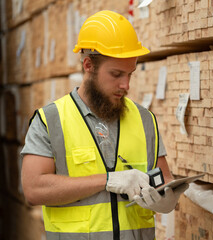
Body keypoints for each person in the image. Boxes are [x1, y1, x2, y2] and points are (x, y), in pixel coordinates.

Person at [21, 10, 188, 240]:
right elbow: (33, 189)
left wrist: (166, 199)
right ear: (88, 65)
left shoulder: (144, 119)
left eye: (130, 73)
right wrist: (108, 180)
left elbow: (165, 179)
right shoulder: (50, 121)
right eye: (116, 74)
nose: (126, 85)